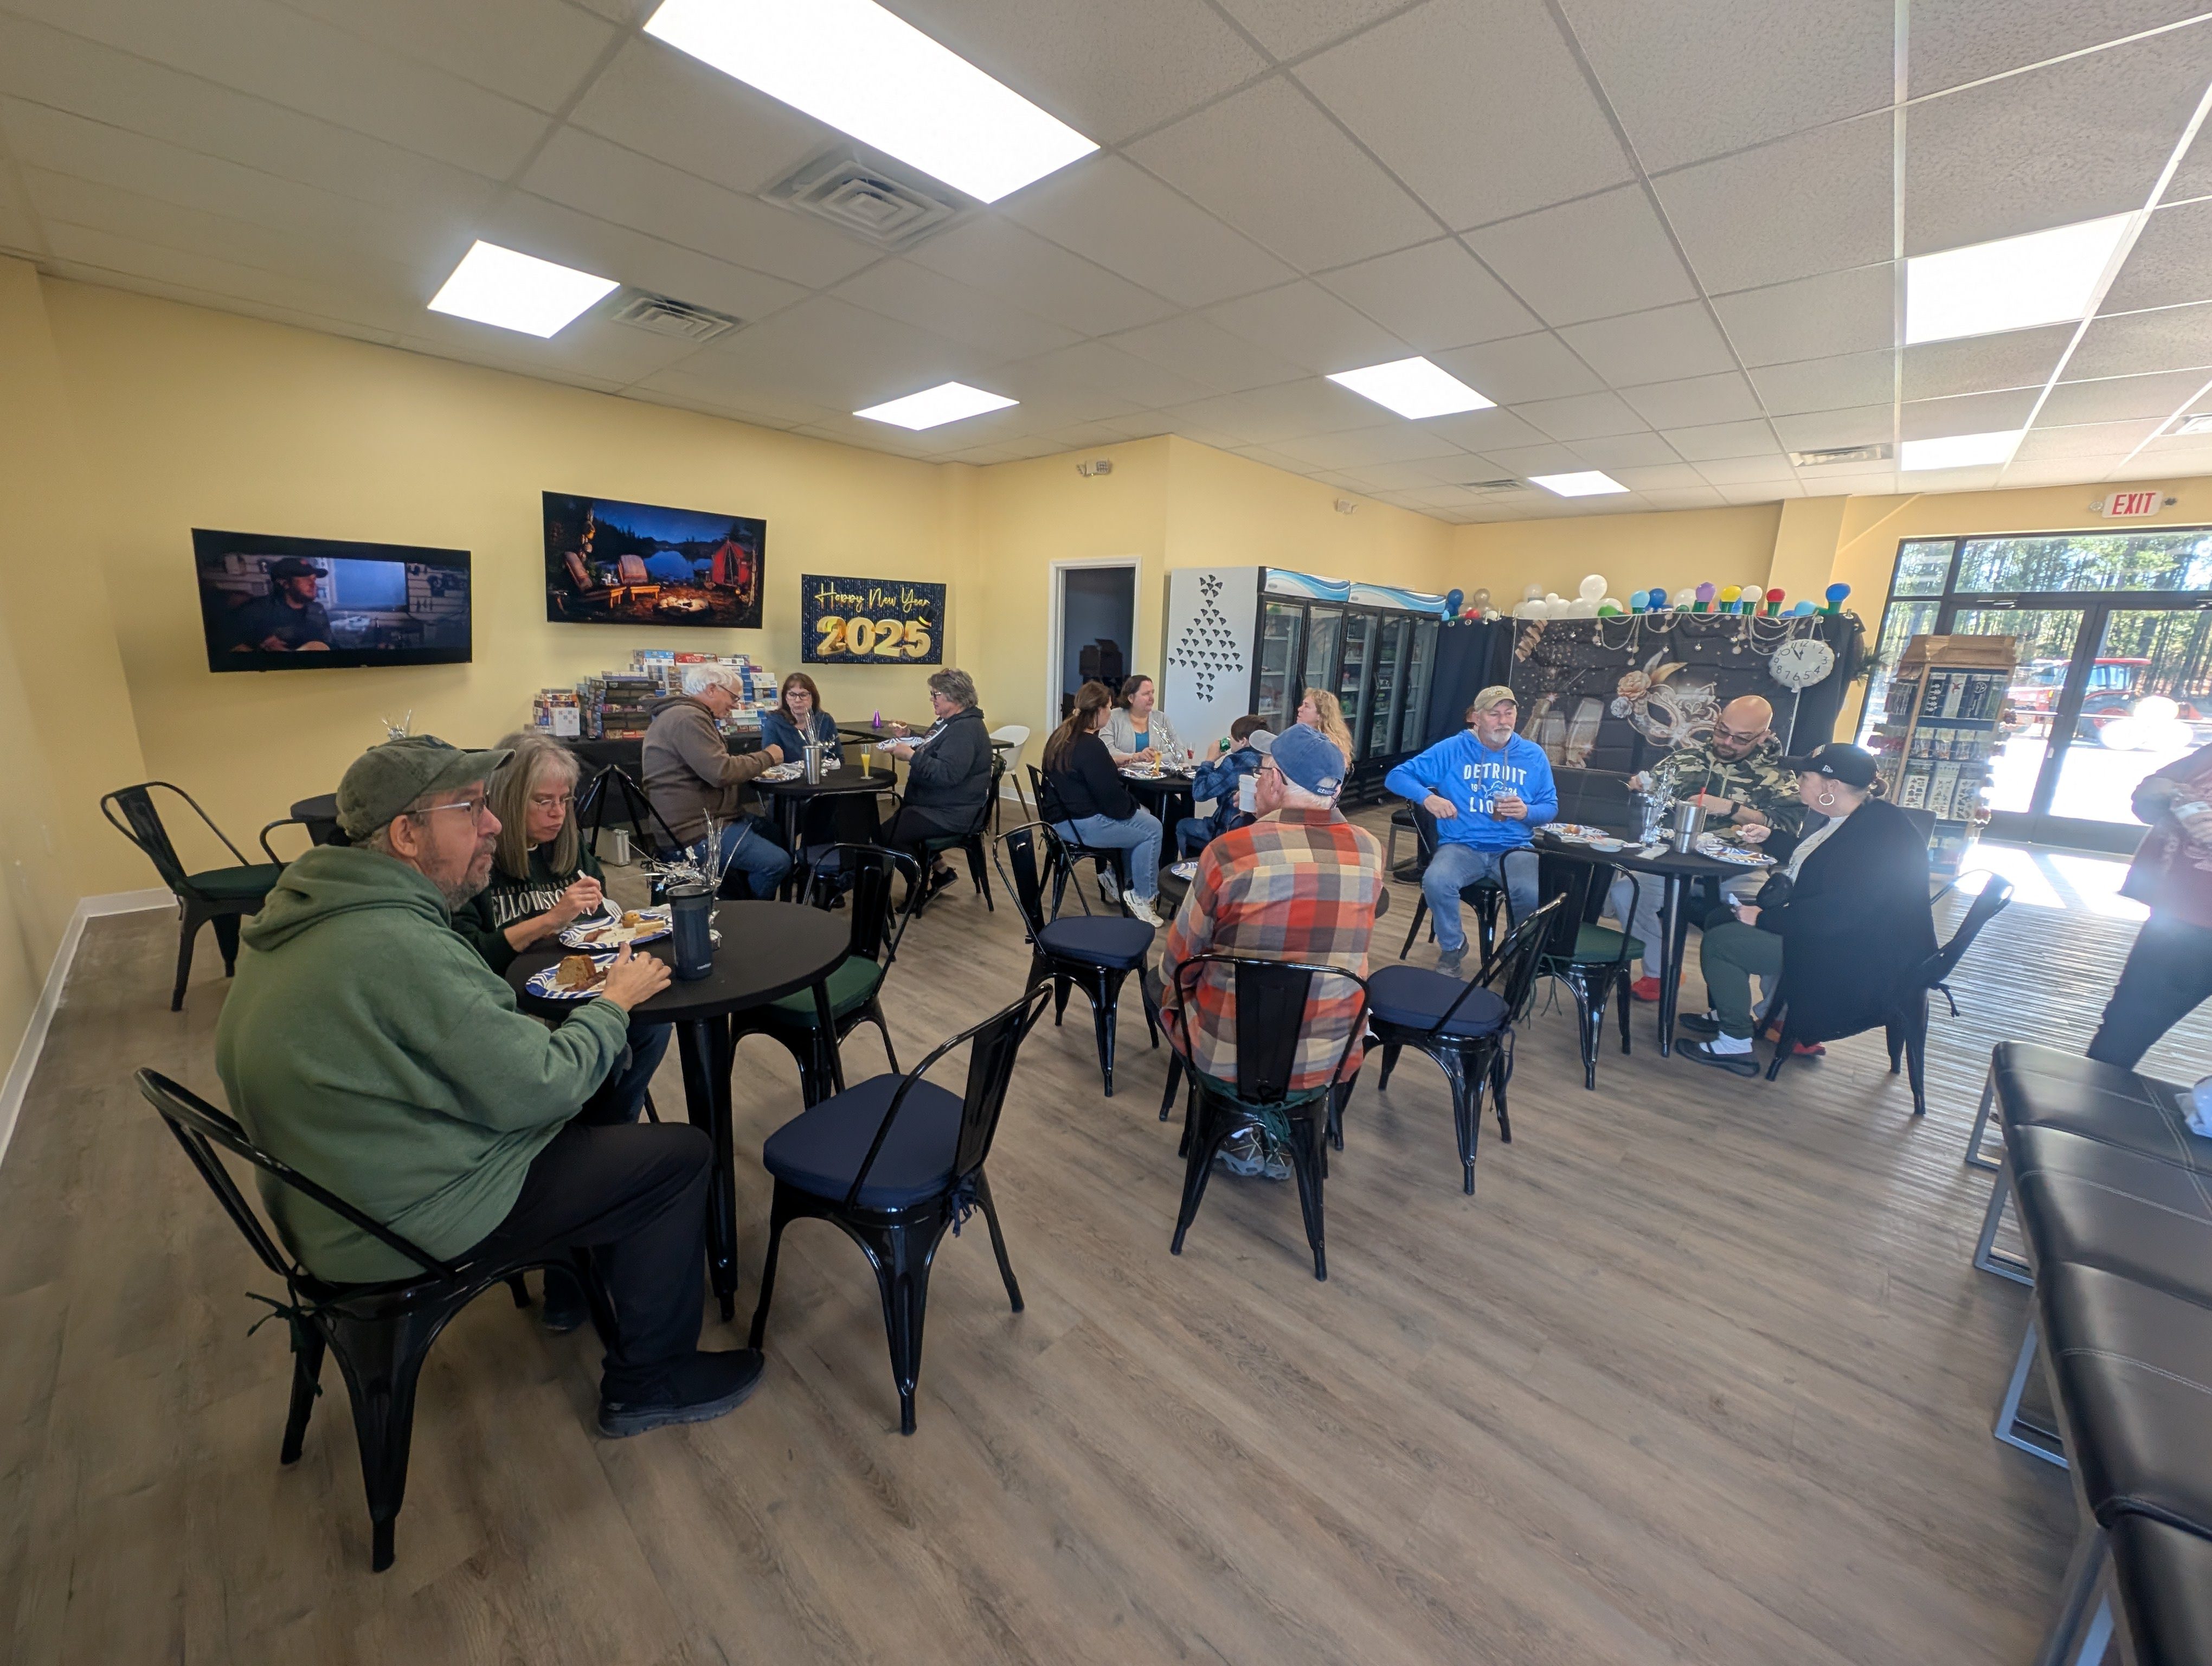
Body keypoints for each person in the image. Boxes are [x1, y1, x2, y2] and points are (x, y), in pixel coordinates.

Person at [214, 734, 764, 1437]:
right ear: (407, 835)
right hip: (400, 1219)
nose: (494, 823)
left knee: (597, 1128)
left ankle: (582, 1279)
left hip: (339, 1194)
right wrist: (613, 1005)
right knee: (679, 1158)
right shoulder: (397, 944)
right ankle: (647, 1380)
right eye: (471, 808)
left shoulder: (310, 912)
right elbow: (545, 1086)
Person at [1152, 724, 1382, 1179]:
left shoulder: (1229, 853)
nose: (1256, 780)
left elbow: (1178, 964)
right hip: (1329, 1053)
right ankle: (1278, 1128)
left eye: (1260, 771)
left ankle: (1237, 1124)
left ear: (1276, 781)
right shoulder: (1370, 851)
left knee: (1160, 982)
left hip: (1232, 1052)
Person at [1679, 744, 1936, 1077]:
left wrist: (1763, 918)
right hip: (1846, 935)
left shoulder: (1873, 837)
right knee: (1719, 918)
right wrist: (1770, 837)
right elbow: (1821, 865)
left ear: (1831, 786)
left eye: (1803, 776)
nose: (1796, 782)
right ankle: (1731, 1010)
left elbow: (1839, 914)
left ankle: (1735, 1044)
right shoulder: (1859, 817)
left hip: (1859, 954)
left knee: (1723, 943)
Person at [1612, 694, 1806, 1000]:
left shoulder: (1779, 776)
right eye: (1721, 731)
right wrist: (1641, 790)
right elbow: (1651, 802)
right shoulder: (1684, 760)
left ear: (1764, 736)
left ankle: (1777, 1014)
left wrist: (1732, 808)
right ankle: (1659, 973)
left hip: (1741, 869)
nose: (1727, 742)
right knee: (1625, 893)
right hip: (1677, 863)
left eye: (1741, 739)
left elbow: (1789, 829)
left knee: (1776, 919)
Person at [1382, 686, 1557, 977]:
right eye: (1494, 714)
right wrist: (1428, 797)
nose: (1503, 721)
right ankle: (1453, 947)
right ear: (1476, 717)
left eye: (1509, 713)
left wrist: (1528, 812)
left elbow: (1550, 807)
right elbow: (1396, 776)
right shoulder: (1453, 750)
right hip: (1462, 845)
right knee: (1436, 881)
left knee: (1530, 892)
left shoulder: (1533, 755)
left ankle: (1513, 949)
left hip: (1514, 846)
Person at [2087, 739, 2212, 1067]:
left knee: (2128, 1024)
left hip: (2197, 923)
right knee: (2126, 1024)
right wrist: (2161, 793)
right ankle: (2076, 1108)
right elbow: (2146, 798)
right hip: (2178, 919)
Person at [640, 664, 792, 899]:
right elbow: (721, 772)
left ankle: (738, 894)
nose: (735, 705)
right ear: (712, 689)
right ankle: (749, 916)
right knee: (777, 862)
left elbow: (716, 767)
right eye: (733, 697)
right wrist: (768, 757)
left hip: (704, 820)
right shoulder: (688, 718)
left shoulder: (684, 715)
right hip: (693, 832)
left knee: (775, 833)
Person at [1040, 680, 1166, 926]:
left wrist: (1112, 765)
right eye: (1108, 708)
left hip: (1059, 822)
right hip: (1083, 825)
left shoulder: (1061, 737)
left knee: (1142, 821)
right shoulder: (1092, 746)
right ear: (1098, 711)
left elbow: (1084, 774)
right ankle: (1142, 896)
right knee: (1152, 828)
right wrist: (1134, 806)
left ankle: (1123, 881)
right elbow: (1114, 803)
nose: (1110, 713)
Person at [881, 667, 995, 902]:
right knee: (894, 828)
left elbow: (947, 774)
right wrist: (909, 734)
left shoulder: (965, 730)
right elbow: (933, 744)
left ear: (953, 696)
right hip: (939, 803)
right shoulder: (950, 722)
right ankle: (941, 873)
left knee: (887, 836)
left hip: (954, 811)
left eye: (936, 694)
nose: (932, 699)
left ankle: (918, 883)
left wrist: (912, 757)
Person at [1177, 715, 1271, 859]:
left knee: (1183, 825)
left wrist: (1209, 760)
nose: (1228, 739)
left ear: (1243, 741)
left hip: (1226, 831)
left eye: (1231, 737)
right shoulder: (1268, 762)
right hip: (1253, 834)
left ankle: (1197, 871)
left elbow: (1199, 793)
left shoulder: (1235, 761)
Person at [228, 555, 333, 652]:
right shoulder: (255, 609)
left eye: (314, 579)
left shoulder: (317, 610)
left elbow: (331, 644)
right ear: (285, 583)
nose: (313, 584)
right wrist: (260, 646)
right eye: (305, 579)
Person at [759, 671, 843, 769]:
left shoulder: (825, 720)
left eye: (803, 695)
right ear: (785, 698)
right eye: (792, 695)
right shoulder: (774, 723)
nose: (797, 700)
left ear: (813, 698)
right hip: (788, 781)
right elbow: (770, 762)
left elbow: (839, 758)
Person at [1103, 675, 1187, 765]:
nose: (1152, 698)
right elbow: (1106, 751)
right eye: (1146, 694)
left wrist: (1157, 757)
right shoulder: (1113, 717)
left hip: (1158, 776)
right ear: (1131, 698)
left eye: (1152, 693)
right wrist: (1136, 757)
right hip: (1121, 776)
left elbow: (1181, 754)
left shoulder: (1162, 719)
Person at [1297, 688, 1355, 765]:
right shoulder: (1302, 734)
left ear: (1320, 715)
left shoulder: (1327, 747)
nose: (1300, 709)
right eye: (1302, 705)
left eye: (1307, 706)